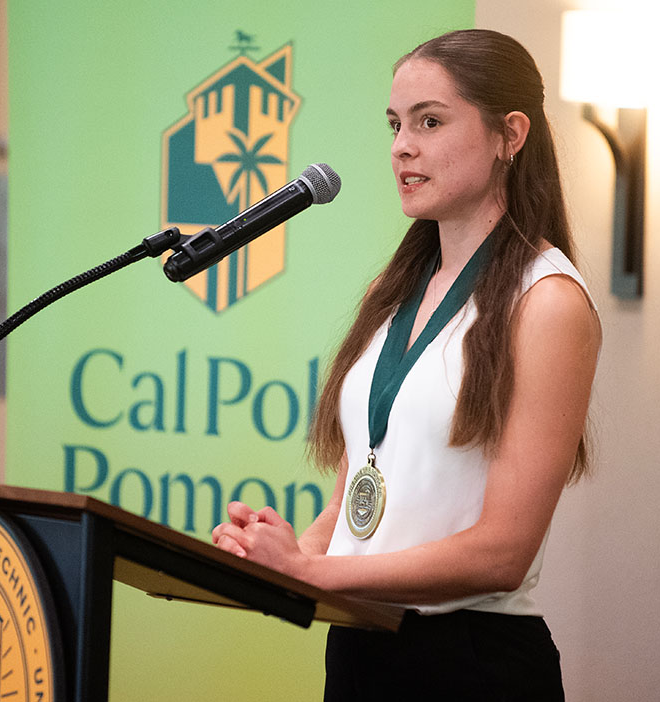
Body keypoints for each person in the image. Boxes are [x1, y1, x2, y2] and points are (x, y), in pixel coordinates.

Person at [211, 29, 601, 700]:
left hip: (474, 661)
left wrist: (314, 575)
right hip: (361, 645)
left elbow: (503, 553)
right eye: (395, 124)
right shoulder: (389, 293)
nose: (401, 147)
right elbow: (355, 499)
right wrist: (290, 554)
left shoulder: (548, 301)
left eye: (430, 121)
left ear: (510, 135)